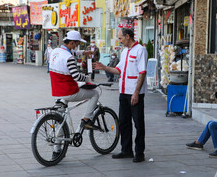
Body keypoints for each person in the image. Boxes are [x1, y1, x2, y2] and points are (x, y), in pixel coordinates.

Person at [94, 28, 148, 162]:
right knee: (124, 122)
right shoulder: (124, 52)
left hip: (135, 93)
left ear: (128, 36)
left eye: (120, 38)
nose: (119, 41)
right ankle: (126, 150)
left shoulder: (140, 50)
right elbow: (118, 69)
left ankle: (139, 152)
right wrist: (104, 68)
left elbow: (142, 72)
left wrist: (136, 92)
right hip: (123, 92)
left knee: (138, 123)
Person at [49, 30, 99, 158]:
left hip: (58, 91)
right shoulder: (69, 58)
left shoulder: (55, 52)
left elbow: (72, 52)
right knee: (94, 94)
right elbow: (76, 76)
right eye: (76, 44)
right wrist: (87, 78)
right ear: (71, 43)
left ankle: (57, 150)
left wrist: (84, 52)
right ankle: (86, 120)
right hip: (69, 91)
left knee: (60, 120)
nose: (77, 47)